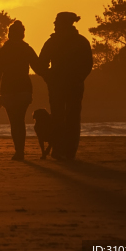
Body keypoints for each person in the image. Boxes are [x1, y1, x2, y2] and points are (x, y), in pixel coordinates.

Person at [38, 11, 93, 160]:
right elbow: (88, 64)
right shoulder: (80, 41)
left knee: (63, 117)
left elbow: (40, 64)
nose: (54, 24)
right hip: (67, 85)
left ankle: (62, 150)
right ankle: (67, 151)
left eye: (57, 22)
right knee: (69, 118)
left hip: (65, 85)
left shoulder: (56, 42)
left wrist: (48, 77)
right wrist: (48, 77)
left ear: (64, 23)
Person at [0, 20, 42, 161]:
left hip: (8, 90)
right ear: (22, 34)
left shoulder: (4, 50)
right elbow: (37, 66)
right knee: (20, 120)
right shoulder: (27, 49)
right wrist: (50, 75)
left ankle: (19, 151)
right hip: (24, 89)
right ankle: (20, 150)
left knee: (15, 121)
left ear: (10, 34)